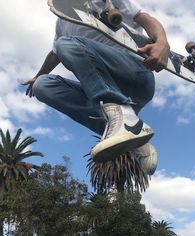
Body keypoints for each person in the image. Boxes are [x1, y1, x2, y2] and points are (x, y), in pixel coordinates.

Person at [23, 0, 170, 166]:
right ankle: (132, 133)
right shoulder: (62, 19)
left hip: (135, 76)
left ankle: (118, 111)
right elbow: (54, 53)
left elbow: (143, 17)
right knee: (42, 86)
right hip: (107, 91)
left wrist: (162, 42)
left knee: (66, 44)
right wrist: (38, 75)